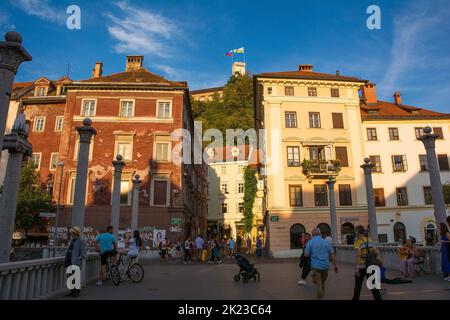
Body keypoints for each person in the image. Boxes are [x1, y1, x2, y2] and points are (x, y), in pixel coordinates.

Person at [304, 228, 338, 300]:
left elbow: (306, 255)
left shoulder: (310, 242)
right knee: (323, 282)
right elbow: (333, 254)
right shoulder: (327, 242)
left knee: (318, 283)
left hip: (315, 266)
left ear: (312, 234)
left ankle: (320, 298)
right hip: (325, 266)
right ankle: (322, 297)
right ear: (320, 234)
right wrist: (335, 265)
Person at [352, 225, 382, 300]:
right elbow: (376, 251)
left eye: (355, 231)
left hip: (362, 267)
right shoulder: (369, 239)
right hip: (371, 266)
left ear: (358, 232)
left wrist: (357, 268)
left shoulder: (357, 241)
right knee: (374, 287)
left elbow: (358, 255)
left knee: (357, 287)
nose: (355, 233)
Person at [64, 226, 86, 297]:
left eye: (72, 233)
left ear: (75, 233)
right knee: (70, 276)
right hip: (70, 261)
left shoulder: (81, 241)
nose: (71, 234)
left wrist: (77, 259)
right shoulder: (72, 240)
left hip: (76, 262)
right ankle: (72, 291)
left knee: (75, 277)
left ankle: (76, 292)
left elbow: (83, 253)